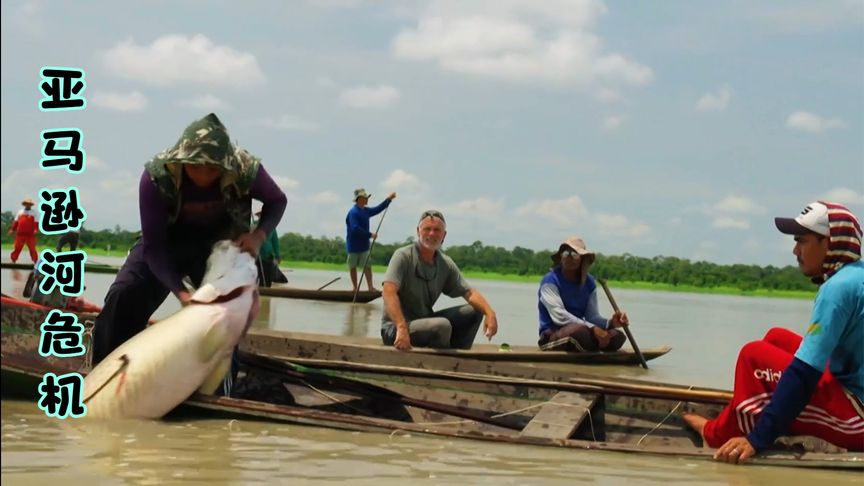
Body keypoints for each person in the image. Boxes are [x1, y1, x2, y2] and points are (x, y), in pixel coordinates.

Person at [91, 113, 287, 368]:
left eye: (213, 169)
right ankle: (104, 370)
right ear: (181, 160)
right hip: (168, 242)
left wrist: (259, 235)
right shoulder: (157, 176)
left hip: (221, 247)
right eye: (195, 166)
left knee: (223, 313)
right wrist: (182, 294)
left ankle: (219, 383)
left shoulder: (245, 168)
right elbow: (154, 249)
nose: (204, 175)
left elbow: (277, 201)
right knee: (124, 293)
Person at [683, 201, 864, 464]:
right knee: (776, 337)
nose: (795, 251)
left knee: (753, 357)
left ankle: (717, 434)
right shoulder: (856, 276)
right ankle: (727, 425)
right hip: (852, 392)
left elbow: (804, 374)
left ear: (829, 242)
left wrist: (758, 439)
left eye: (802, 241)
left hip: (858, 419)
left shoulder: (837, 289)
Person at [381, 209, 498, 351]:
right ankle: (444, 361)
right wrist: (401, 326)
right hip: (395, 328)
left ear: (444, 235)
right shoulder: (403, 256)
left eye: (437, 230)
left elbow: (469, 293)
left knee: (475, 311)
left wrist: (490, 313)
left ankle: (460, 357)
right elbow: (388, 292)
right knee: (442, 326)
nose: (432, 234)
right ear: (418, 231)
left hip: (425, 321)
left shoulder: (445, 263)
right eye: (427, 229)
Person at [537, 237, 630, 352]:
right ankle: (591, 348)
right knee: (581, 333)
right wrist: (593, 328)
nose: (569, 257)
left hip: (581, 331)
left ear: (582, 259)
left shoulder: (589, 282)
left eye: (575, 254)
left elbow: (592, 317)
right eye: (566, 253)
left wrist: (611, 323)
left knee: (617, 337)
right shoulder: (550, 281)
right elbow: (559, 316)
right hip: (552, 336)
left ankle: (591, 347)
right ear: (561, 257)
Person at [345, 188, 396, 292]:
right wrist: (370, 235)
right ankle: (355, 288)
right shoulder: (353, 212)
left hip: (364, 246)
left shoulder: (366, 211)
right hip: (353, 246)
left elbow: (378, 209)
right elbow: (355, 229)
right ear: (359, 199)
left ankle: (370, 287)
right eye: (365, 198)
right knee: (353, 266)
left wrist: (389, 200)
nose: (367, 199)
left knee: (367, 266)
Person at [254, 210, 287, 287]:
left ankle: (265, 295)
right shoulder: (254, 225)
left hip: (267, 256)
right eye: (261, 215)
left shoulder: (272, 227)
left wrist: (277, 255)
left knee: (266, 279)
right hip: (255, 255)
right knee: (254, 277)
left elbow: (275, 242)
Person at [9, 198, 39, 263]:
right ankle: (13, 260)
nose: (28, 205)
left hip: (30, 234)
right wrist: (12, 229)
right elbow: (16, 222)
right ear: (24, 204)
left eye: (29, 204)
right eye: (27, 204)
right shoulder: (20, 212)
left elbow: (36, 222)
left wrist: (36, 229)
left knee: (32, 248)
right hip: (20, 233)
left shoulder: (34, 212)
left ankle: (35, 261)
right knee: (17, 247)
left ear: (31, 205)